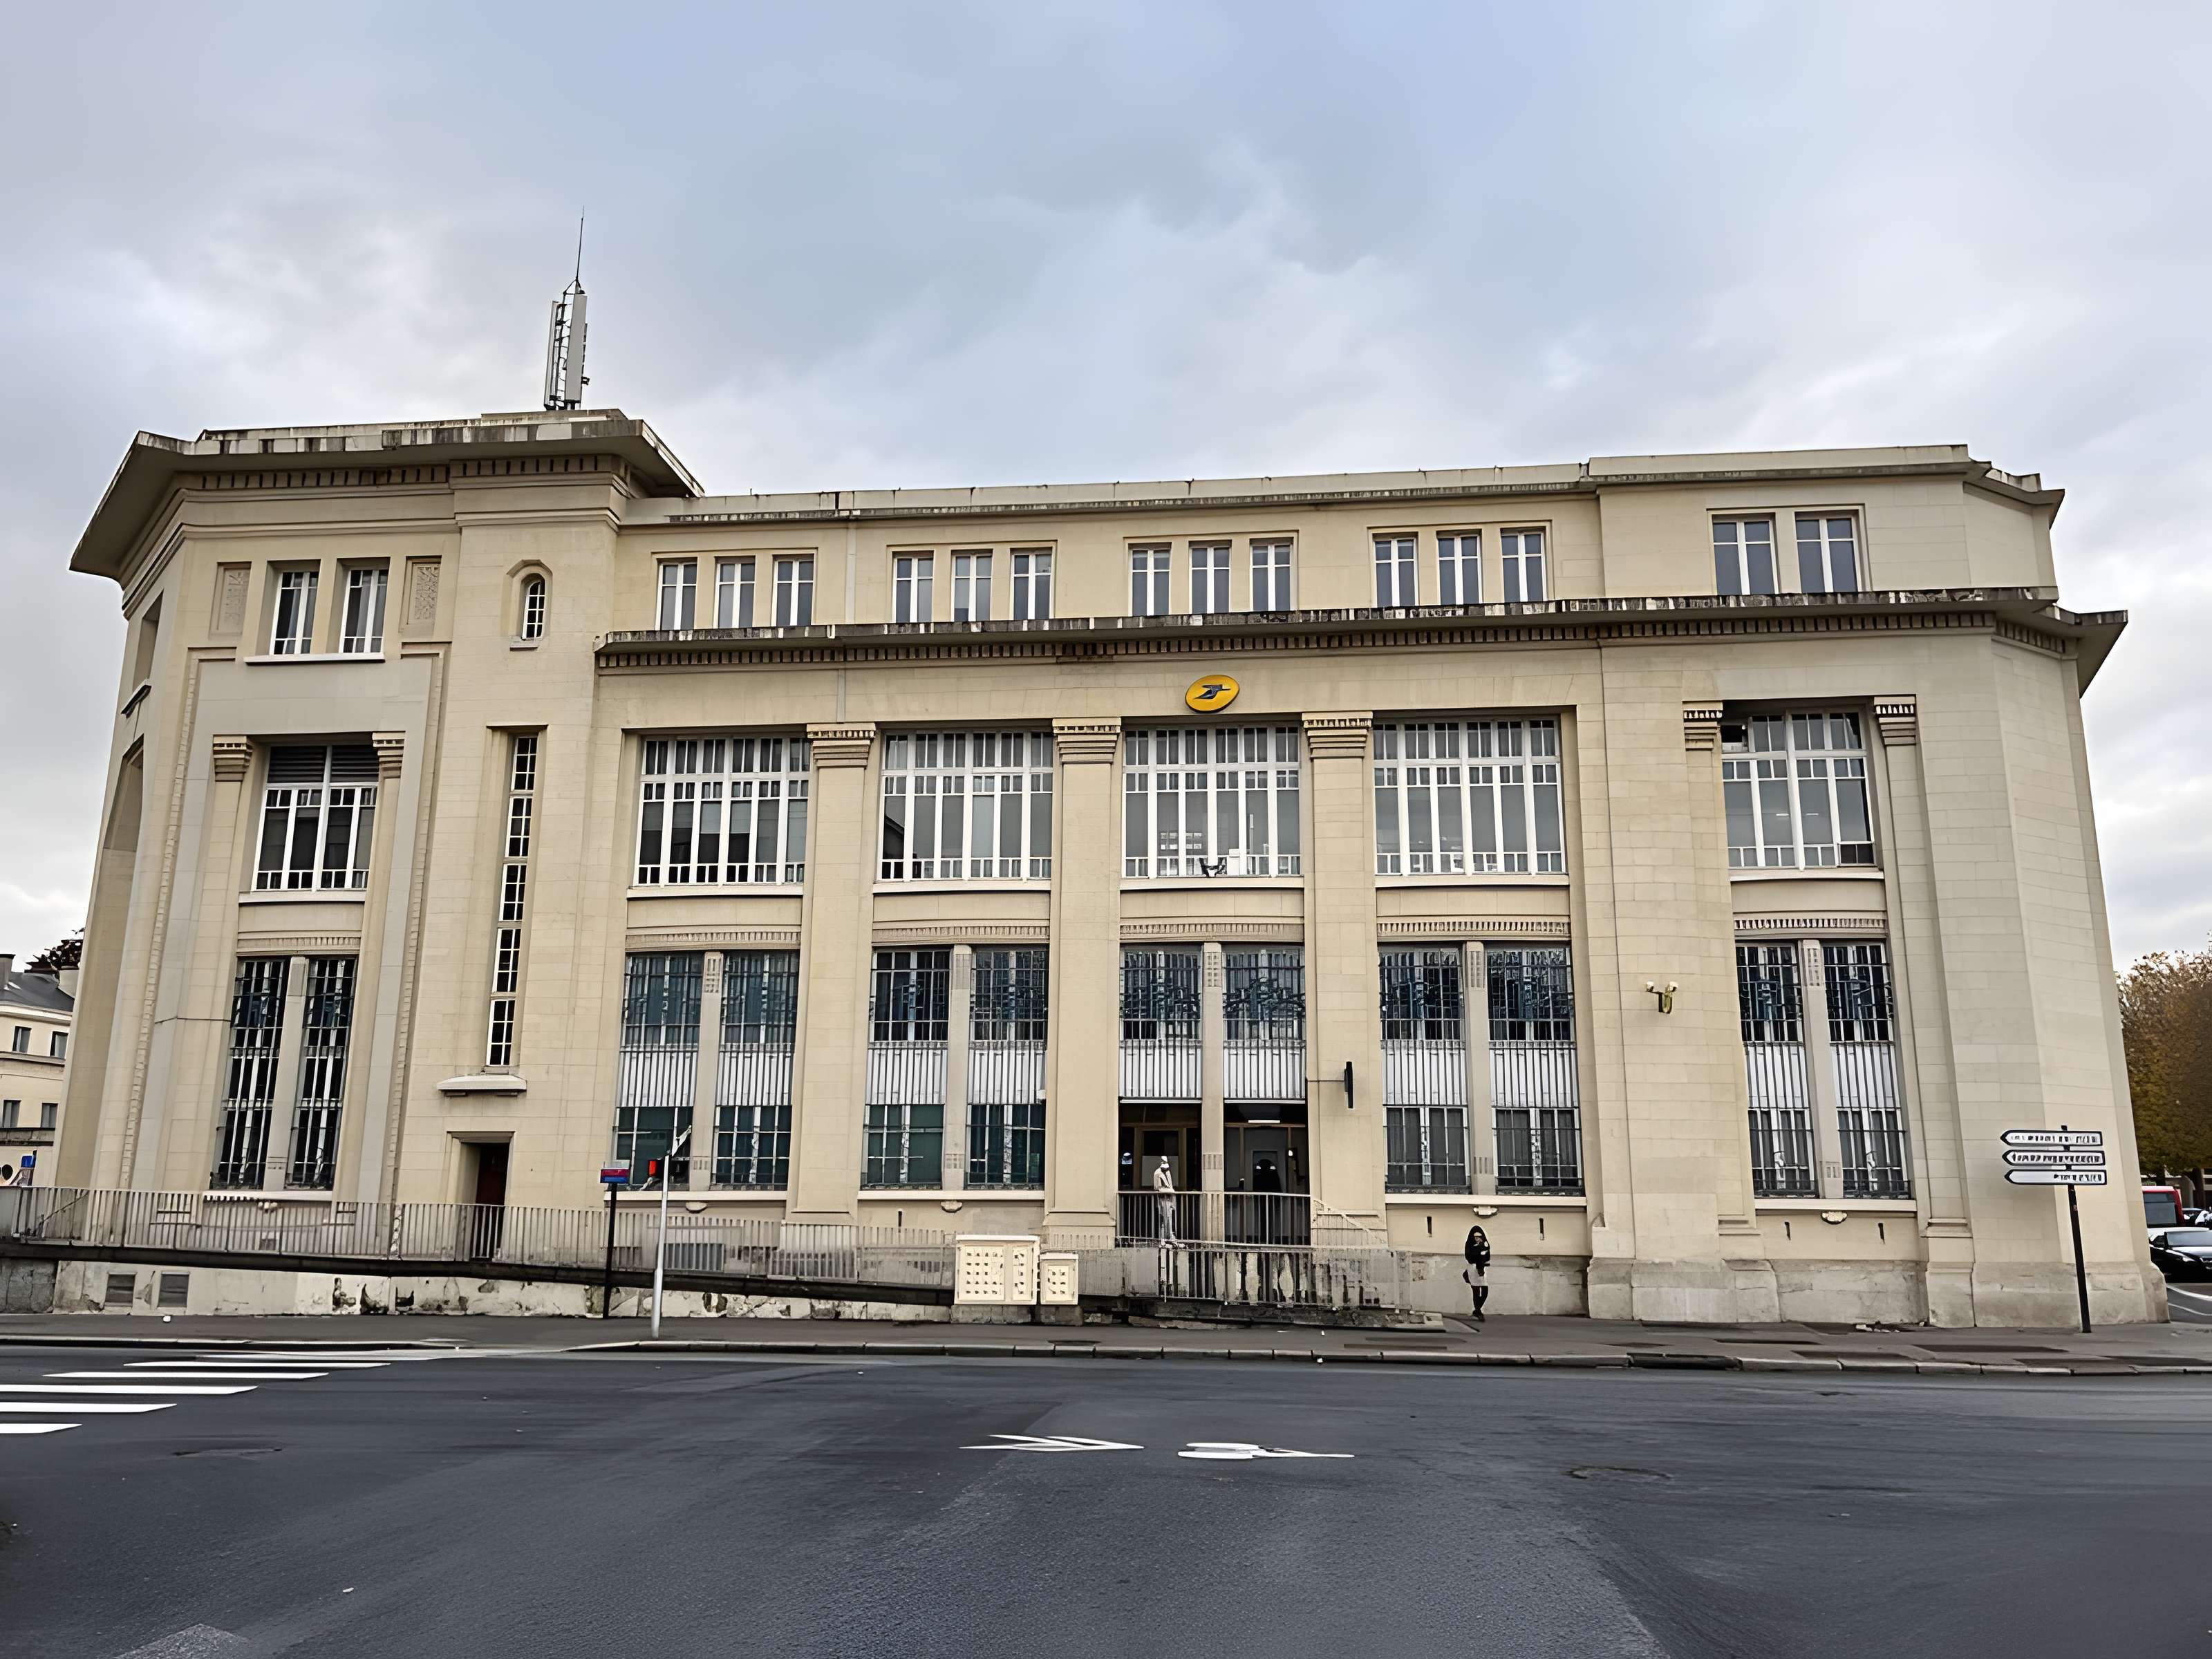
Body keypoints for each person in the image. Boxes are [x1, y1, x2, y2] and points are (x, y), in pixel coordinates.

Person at [1463, 1221, 1492, 1324]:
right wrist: (1479, 1252)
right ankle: (1478, 1310)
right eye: (1475, 1237)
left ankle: (1477, 1309)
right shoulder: (1471, 1245)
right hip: (1473, 1268)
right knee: (1476, 1290)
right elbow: (1470, 1257)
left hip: (1482, 1269)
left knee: (1485, 1289)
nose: (1477, 1238)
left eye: (1479, 1237)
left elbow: (1487, 1255)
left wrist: (1482, 1251)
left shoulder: (1484, 1245)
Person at [1152, 1156, 1178, 1244]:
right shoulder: (1158, 1173)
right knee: (1163, 1219)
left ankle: (1170, 1236)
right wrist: (1168, 1190)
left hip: (1169, 1199)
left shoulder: (1168, 1173)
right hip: (1162, 1199)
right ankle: (1162, 1238)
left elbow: (1170, 1185)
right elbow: (1157, 1188)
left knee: (1170, 1218)